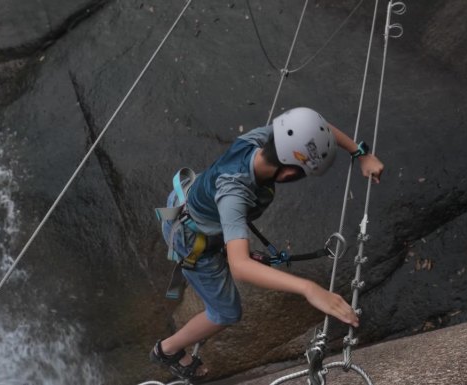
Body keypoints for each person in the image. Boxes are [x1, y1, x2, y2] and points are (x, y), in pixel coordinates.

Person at [150, 107, 384, 379]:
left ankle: (227, 243)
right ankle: (167, 350)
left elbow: (315, 130)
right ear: (287, 175)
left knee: (236, 240)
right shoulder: (234, 192)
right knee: (226, 312)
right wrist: (309, 289)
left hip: (196, 204)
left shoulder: (262, 140)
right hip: (194, 242)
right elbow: (240, 267)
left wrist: (361, 153)